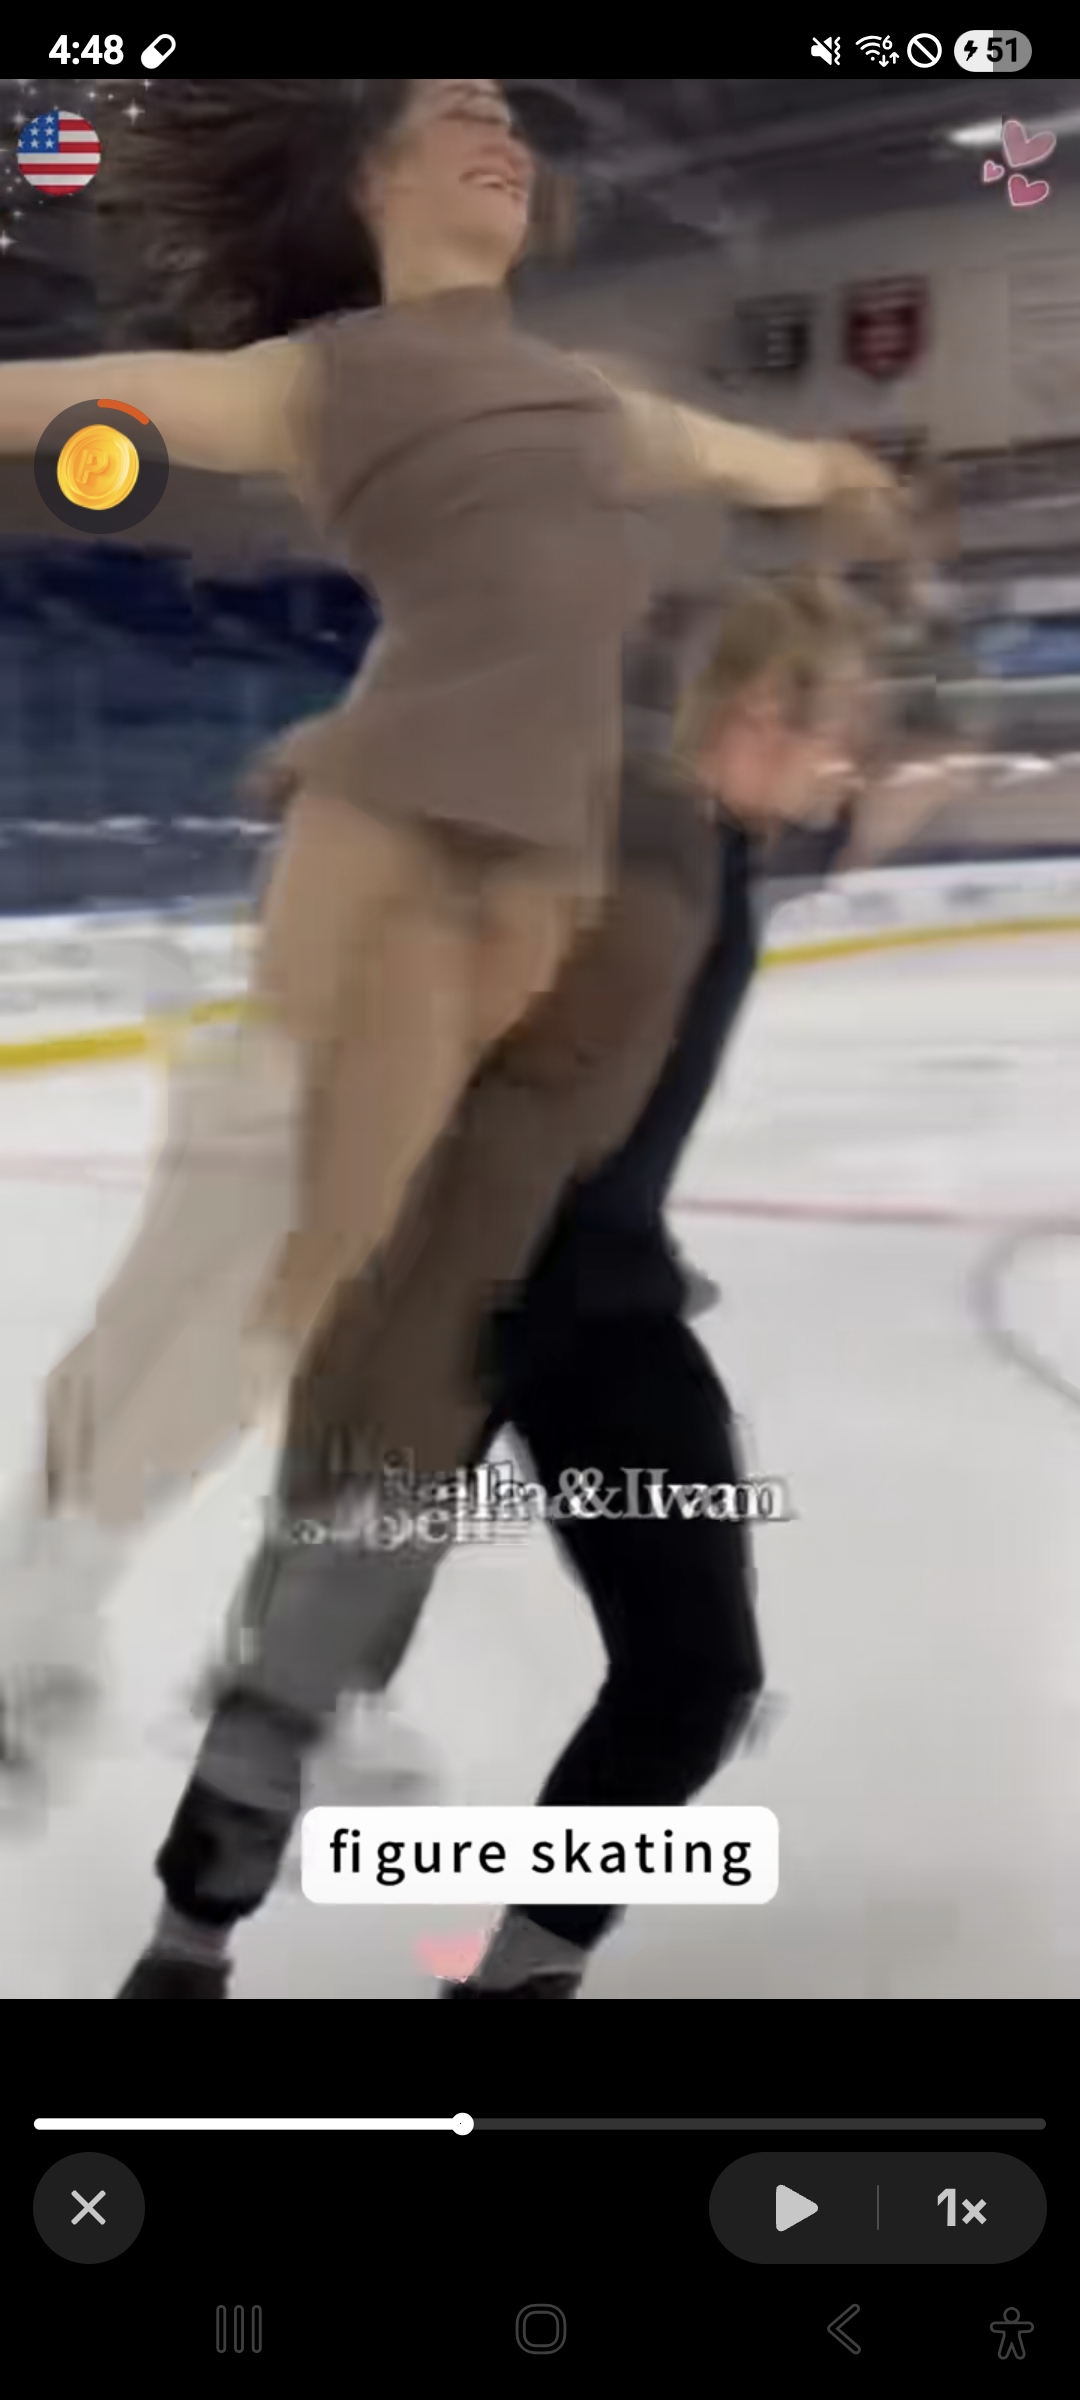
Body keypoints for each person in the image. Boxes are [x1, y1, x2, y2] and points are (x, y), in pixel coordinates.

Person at [0, 79, 898, 1576]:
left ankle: (76, 1549)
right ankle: (57, 1565)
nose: (502, 132)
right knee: (251, 1246)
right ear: (374, 181)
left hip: (540, 872)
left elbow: (742, 457)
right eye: (458, 113)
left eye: (510, 118)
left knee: (318, 1269)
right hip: (401, 818)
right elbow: (72, 398)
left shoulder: (587, 400)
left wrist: (839, 477)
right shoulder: (323, 376)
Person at [116, 572, 956, 2000]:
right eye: (837, 735)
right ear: (762, 713)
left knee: (682, 1669)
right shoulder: (624, 837)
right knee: (324, 1657)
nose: (846, 766)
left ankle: (491, 1974)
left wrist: (893, 798)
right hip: (463, 1298)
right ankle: (194, 1957)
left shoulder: (717, 847)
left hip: (596, 1308)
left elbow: (788, 842)